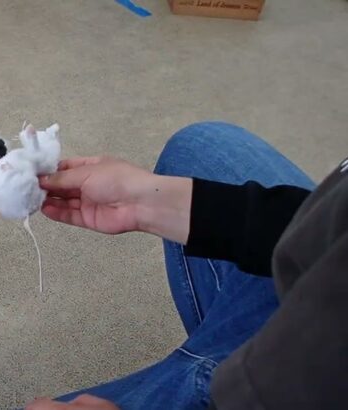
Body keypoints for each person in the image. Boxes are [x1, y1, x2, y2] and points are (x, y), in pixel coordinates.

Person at [24, 122, 348, 410]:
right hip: (315, 295)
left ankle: (206, 361)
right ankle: (213, 346)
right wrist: (147, 202)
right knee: (199, 147)